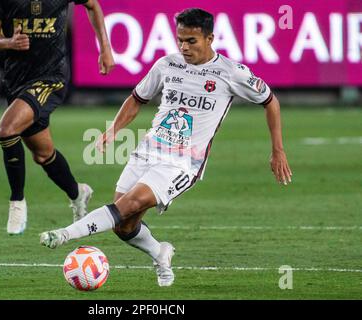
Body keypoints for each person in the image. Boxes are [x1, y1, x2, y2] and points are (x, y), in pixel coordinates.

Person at [39, 8, 293, 287]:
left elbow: (271, 101)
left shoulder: (230, 73)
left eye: (191, 41)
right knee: (124, 225)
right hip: (148, 151)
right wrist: (114, 129)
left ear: (210, 38)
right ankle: (160, 252)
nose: (184, 47)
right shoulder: (166, 65)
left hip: (183, 163)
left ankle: (64, 234)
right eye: (180, 40)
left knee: (127, 205)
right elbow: (137, 98)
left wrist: (278, 150)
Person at [0, 0, 115, 235]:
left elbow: (93, 5)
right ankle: (77, 193)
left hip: (51, 77)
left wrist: (105, 48)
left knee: (6, 129)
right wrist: (8, 42)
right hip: (16, 81)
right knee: (43, 155)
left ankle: (17, 202)